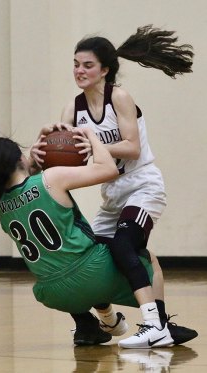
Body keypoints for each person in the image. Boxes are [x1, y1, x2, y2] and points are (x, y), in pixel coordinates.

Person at [32, 25, 196, 348]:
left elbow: (132, 147)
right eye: (76, 64)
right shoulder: (72, 109)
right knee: (88, 258)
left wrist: (92, 145)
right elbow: (65, 161)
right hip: (112, 196)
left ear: (105, 69)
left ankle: (152, 325)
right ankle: (111, 321)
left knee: (123, 245)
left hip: (143, 186)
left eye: (87, 65)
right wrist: (41, 152)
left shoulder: (118, 97)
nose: (80, 71)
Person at [0, 128, 181, 349]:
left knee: (71, 260)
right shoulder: (50, 179)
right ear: (20, 157)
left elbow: (22, 189)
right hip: (93, 274)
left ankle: (98, 324)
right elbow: (108, 169)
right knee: (141, 257)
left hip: (52, 293)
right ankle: (157, 324)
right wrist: (90, 136)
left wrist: (35, 162)